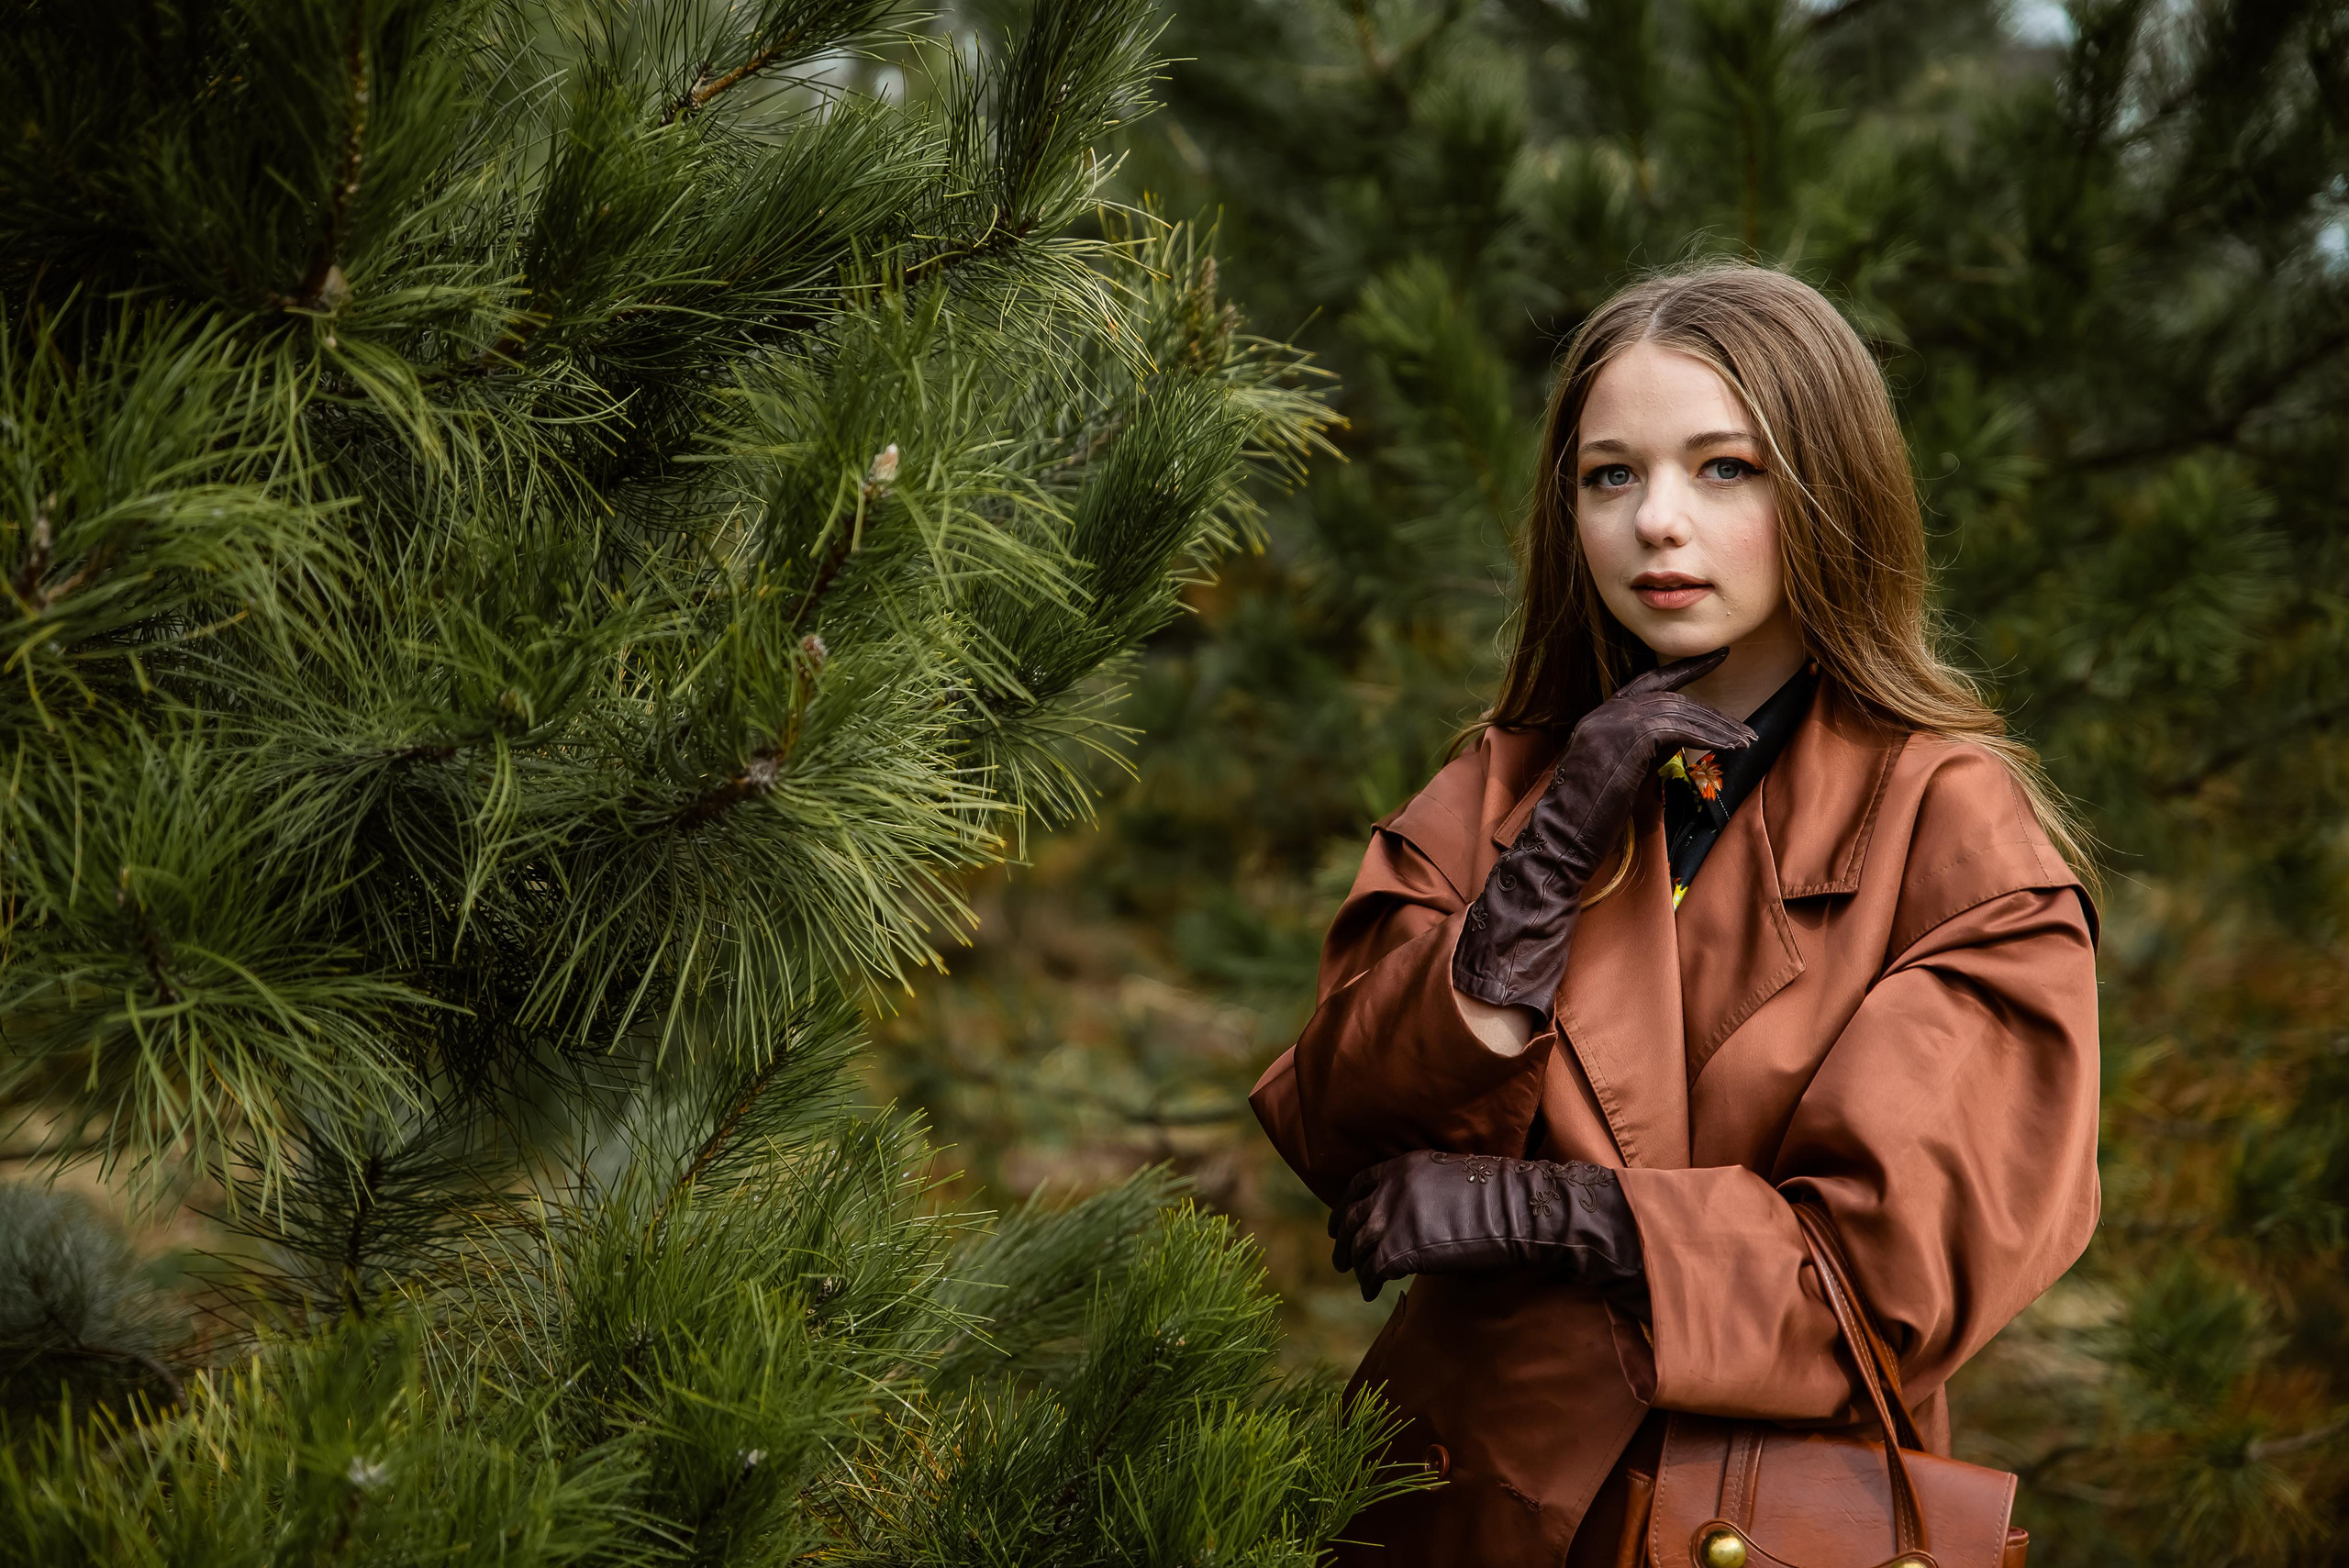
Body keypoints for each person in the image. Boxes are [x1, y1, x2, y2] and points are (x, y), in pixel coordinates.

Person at [1249, 263, 2101, 1566]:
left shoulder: (1955, 823)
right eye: (1610, 475)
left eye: (1724, 469)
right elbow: (1345, 1136)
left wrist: (1548, 1215)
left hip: (1760, 1520)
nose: (1657, 522)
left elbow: (1889, 1272)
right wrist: (1546, 855)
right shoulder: (1509, 781)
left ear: (1826, 486)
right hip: (1454, 1504)